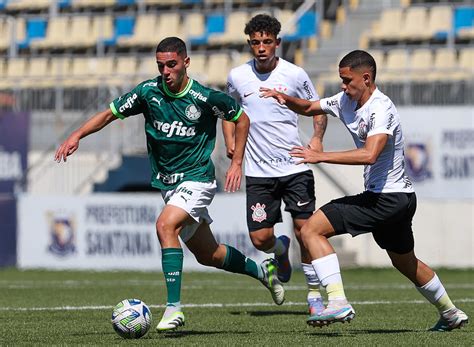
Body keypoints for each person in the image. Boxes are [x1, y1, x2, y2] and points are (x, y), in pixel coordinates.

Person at [54, 37, 285, 332]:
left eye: (172, 64)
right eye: (161, 65)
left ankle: (174, 308)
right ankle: (262, 270)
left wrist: (237, 161)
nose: (166, 71)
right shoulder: (147, 92)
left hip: (198, 179)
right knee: (209, 254)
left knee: (165, 226)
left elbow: (241, 119)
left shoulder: (204, 98)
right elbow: (110, 114)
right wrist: (77, 135)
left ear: (186, 63)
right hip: (169, 185)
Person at [260, 50, 469, 331]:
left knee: (311, 230)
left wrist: (321, 156)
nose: (343, 87)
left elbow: (370, 154)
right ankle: (450, 312)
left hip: (387, 199)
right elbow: (310, 108)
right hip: (399, 199)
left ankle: (337, 301)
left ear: (366, 78)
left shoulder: (382, 108)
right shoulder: (345, 100)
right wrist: (286, 100)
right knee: (406, 263)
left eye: (347, 81)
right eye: (341, 81)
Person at [223, 13, 327, 316]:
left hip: (295, 167)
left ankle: (313, 297)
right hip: (258, 171)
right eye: (255, 43)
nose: (261, 48)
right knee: (260, 237)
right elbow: (228, 112)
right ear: (250, 44)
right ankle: (279, 250)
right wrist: (230, 141)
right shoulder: (237, 76)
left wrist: (317, 139)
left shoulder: (295, 75)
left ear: (277, 43)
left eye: (267, 42)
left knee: (305, 230)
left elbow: (317, 110)